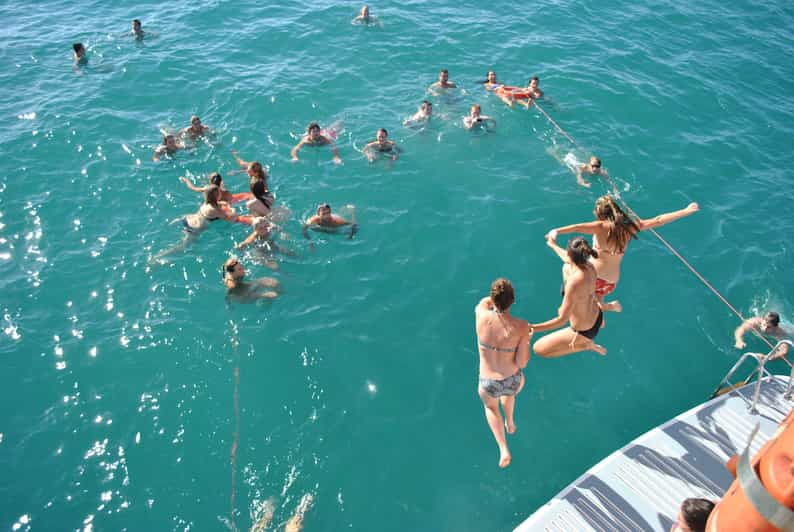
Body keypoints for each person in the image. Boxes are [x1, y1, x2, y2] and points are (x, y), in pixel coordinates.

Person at [548, 196, 699, 312]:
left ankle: (570, 304)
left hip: (594, 277)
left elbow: (576, 227)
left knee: (567, 267)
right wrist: (686, 211)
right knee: (598, 294)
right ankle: (606, 306)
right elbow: (659, 220)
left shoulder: (601, 226)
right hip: (611, 283)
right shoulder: (630, 228)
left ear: (601, 215)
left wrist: (556, 231)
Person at [475, 278, 532, 468]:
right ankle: (510, 422)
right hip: (512, 380)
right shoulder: (522, 327)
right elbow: (521, 362)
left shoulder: (480, 316)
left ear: (493, 298)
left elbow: (483, 303)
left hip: (489, 382)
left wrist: (493, 300)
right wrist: (526, 341)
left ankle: (503, 449)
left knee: (491, 408)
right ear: (513, 301)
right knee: (509, 393)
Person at [531, 236, 607, 357]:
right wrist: (552, 245)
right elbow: (567, 259)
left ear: (571, 255)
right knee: (566, 267)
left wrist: (532, 328)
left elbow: (561, 321)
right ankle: (590, 334)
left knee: (539, 349)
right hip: (597, 315)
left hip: (584, 331)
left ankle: (584, 346)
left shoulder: (574, 283)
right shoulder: (590, 266)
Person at [151, 186, 239, 261]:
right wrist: (233, 209)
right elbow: (230, 218)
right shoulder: (216, 210)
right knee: (182, 247)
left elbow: (216, 202)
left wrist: (223, 203)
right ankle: (159, 256)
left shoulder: (207, 203)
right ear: (217, 196)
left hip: (187, 219)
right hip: (193, 229)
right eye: (219, 192)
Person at [178, 172, 251, 204]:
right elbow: (232, 201)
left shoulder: (206, 189)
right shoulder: (225, 192)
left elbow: (192, 187)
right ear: (221, 181)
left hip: (210, 208)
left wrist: (185, 180)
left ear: (210, 182)